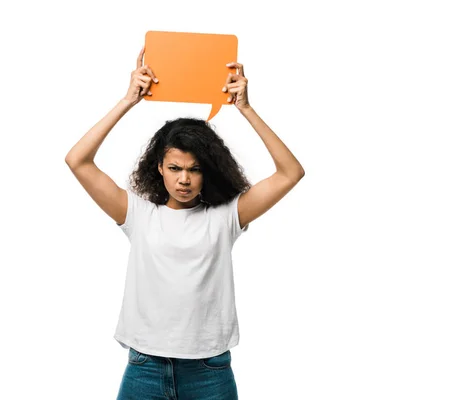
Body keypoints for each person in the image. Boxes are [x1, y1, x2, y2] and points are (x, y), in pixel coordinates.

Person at [65, 47, 305, 400]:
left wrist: (246, 109)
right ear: (159, 168)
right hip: (144, 367)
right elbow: (78, 160)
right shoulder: (139, 214)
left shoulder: (225, 217)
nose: (184, 179)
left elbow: (290, 173)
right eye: (175, 168)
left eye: (194, 169)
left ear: (208, 171)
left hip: (208, 371)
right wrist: (128, 99)